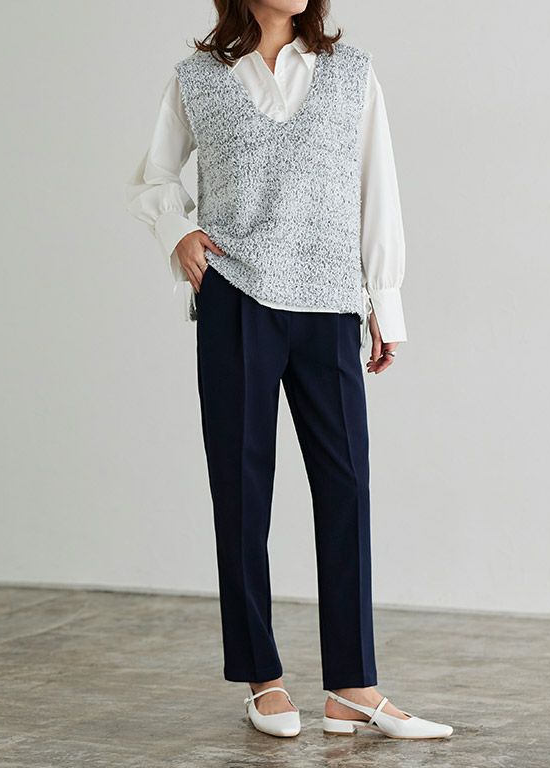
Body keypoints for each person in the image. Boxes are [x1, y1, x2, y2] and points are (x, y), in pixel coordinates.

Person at [126, 0, 453, 741]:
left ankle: (353, 687)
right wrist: (178, 233)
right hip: (236, 297)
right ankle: (261, 679)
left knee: (346, 487)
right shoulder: (198, 77)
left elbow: (377, 188)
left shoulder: (351, 73)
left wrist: (384, 303)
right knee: (241, 492)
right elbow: (153, 177)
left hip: (330, 302)